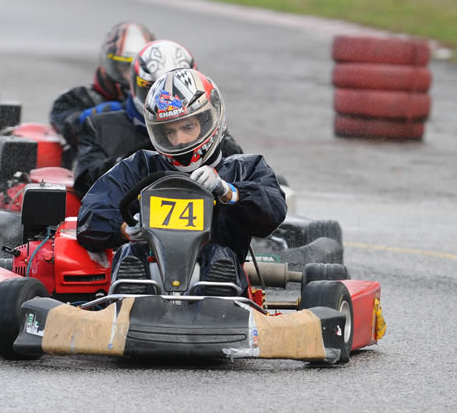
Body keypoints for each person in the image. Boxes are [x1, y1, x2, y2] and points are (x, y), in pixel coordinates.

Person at [76, 69, 287, 294]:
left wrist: (227, 191)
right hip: (150, 276)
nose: (179, 141)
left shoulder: (243, 169)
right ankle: (129, 302)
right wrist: (124, 229)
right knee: (130, 254)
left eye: (188, 127)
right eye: (169, 131)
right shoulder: (139, 167)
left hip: (220, 284)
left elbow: (273, 212)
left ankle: (218, 305)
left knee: (219, 256)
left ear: (209, 119)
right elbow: (91, 213)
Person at [72, 39, 244, 194]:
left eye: (188, 127)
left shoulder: (211, 134)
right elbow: (85, 184)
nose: (167, 101)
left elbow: (244, 182)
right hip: (128, 219)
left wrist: (224, 189)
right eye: (156, 90)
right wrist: (134, 162)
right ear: (136, 86)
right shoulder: (99, 126)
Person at [48, 21, 155, 163]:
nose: (133, 75)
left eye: (140, 68)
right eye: (125, 67)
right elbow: (64, 123)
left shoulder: (159, 102)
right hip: (94, 170)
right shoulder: (78, 97)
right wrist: (94, 117)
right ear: (109, 65)